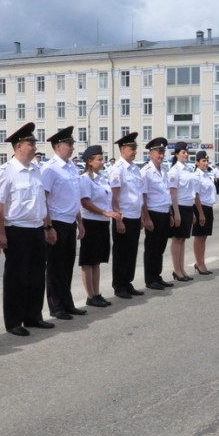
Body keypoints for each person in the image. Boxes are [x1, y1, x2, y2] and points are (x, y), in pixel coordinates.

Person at [0, 122, 56, 336]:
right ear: (19, 146)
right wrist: (0, 234)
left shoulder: (36, 170)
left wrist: (48, 226)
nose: (35, 146)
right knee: (16, 277)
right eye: (31, 143)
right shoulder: (6, 171)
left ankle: (33, 316)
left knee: (37, 275)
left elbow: (42, 202)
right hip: (16, 229)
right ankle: (13, 321)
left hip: (37, 228)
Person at [42, 126, 87, 320]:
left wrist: (80, 222)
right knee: (54, 267)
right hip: (57, 222)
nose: (72, 148)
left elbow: (74, 197)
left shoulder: (72, 167)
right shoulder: (50, 169)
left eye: (72, 144)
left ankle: (67, 302)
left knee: (67, 265)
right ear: (58, 146)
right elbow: (43, 199)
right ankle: (56, 305)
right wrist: (48, 226)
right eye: (69, 144)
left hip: (70, 221)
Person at [78, 145, 121, 307]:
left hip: (102, 223)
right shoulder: (85, 179)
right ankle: (90, 295)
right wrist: (105, 213)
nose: (102, 162)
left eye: (102, 159)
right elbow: (85, 202)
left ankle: (96, 293)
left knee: (97, 260)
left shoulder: (102, 179)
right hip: (91, 222)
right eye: (99, 159)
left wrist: (113, 213)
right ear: (90, 161)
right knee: (88, 261)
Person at [110, 132, 145, 299]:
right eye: (132, 149)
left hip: (135, 215)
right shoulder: (118, 170)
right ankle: (119, 285)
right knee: (121, 253)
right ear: (123, 149)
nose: (135, 151)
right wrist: (118, 219)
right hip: (123, 217)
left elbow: (138, 193)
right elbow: (114, 196)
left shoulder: (135, 169)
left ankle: (128, 281)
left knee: (131, 252)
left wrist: (141, 216)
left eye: (135, 148)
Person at [141, 137, 175, 290]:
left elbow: (166, 194)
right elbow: (143, 197)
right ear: (151, 154)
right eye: (158, 152)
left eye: (163, 152)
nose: (161, 155)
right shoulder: (146, 172)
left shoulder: (164, 171)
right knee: (152, 247)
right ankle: (150, 279)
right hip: (153, 213)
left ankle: (157, 275)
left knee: (160, 247)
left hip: (164, 212)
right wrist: (146, 218)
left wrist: (171, 214)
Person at [168, 142, 201, 281]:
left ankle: (181, 269)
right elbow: (173, 192)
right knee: (177, 239)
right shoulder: (174, 171)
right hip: (179, 207)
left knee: (182, 240)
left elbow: (190, 192)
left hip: (187, 206)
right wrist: (176, 212)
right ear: (176, 154)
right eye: (183, 152)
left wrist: (193, 212)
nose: (186, 154)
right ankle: (177, 270)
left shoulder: (187, 169)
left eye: (187, 152)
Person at [192, 150, 217, 275]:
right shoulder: (196, 176)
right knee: (199, 237)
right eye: (203, 161)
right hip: (200, 208)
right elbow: (195, 195)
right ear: (197, 162)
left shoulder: (206, 174)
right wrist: (200, 213)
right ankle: (199, 263)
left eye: (207, 161)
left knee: (204, 237)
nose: (206, 163)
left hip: (208, 207)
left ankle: (201, 262)